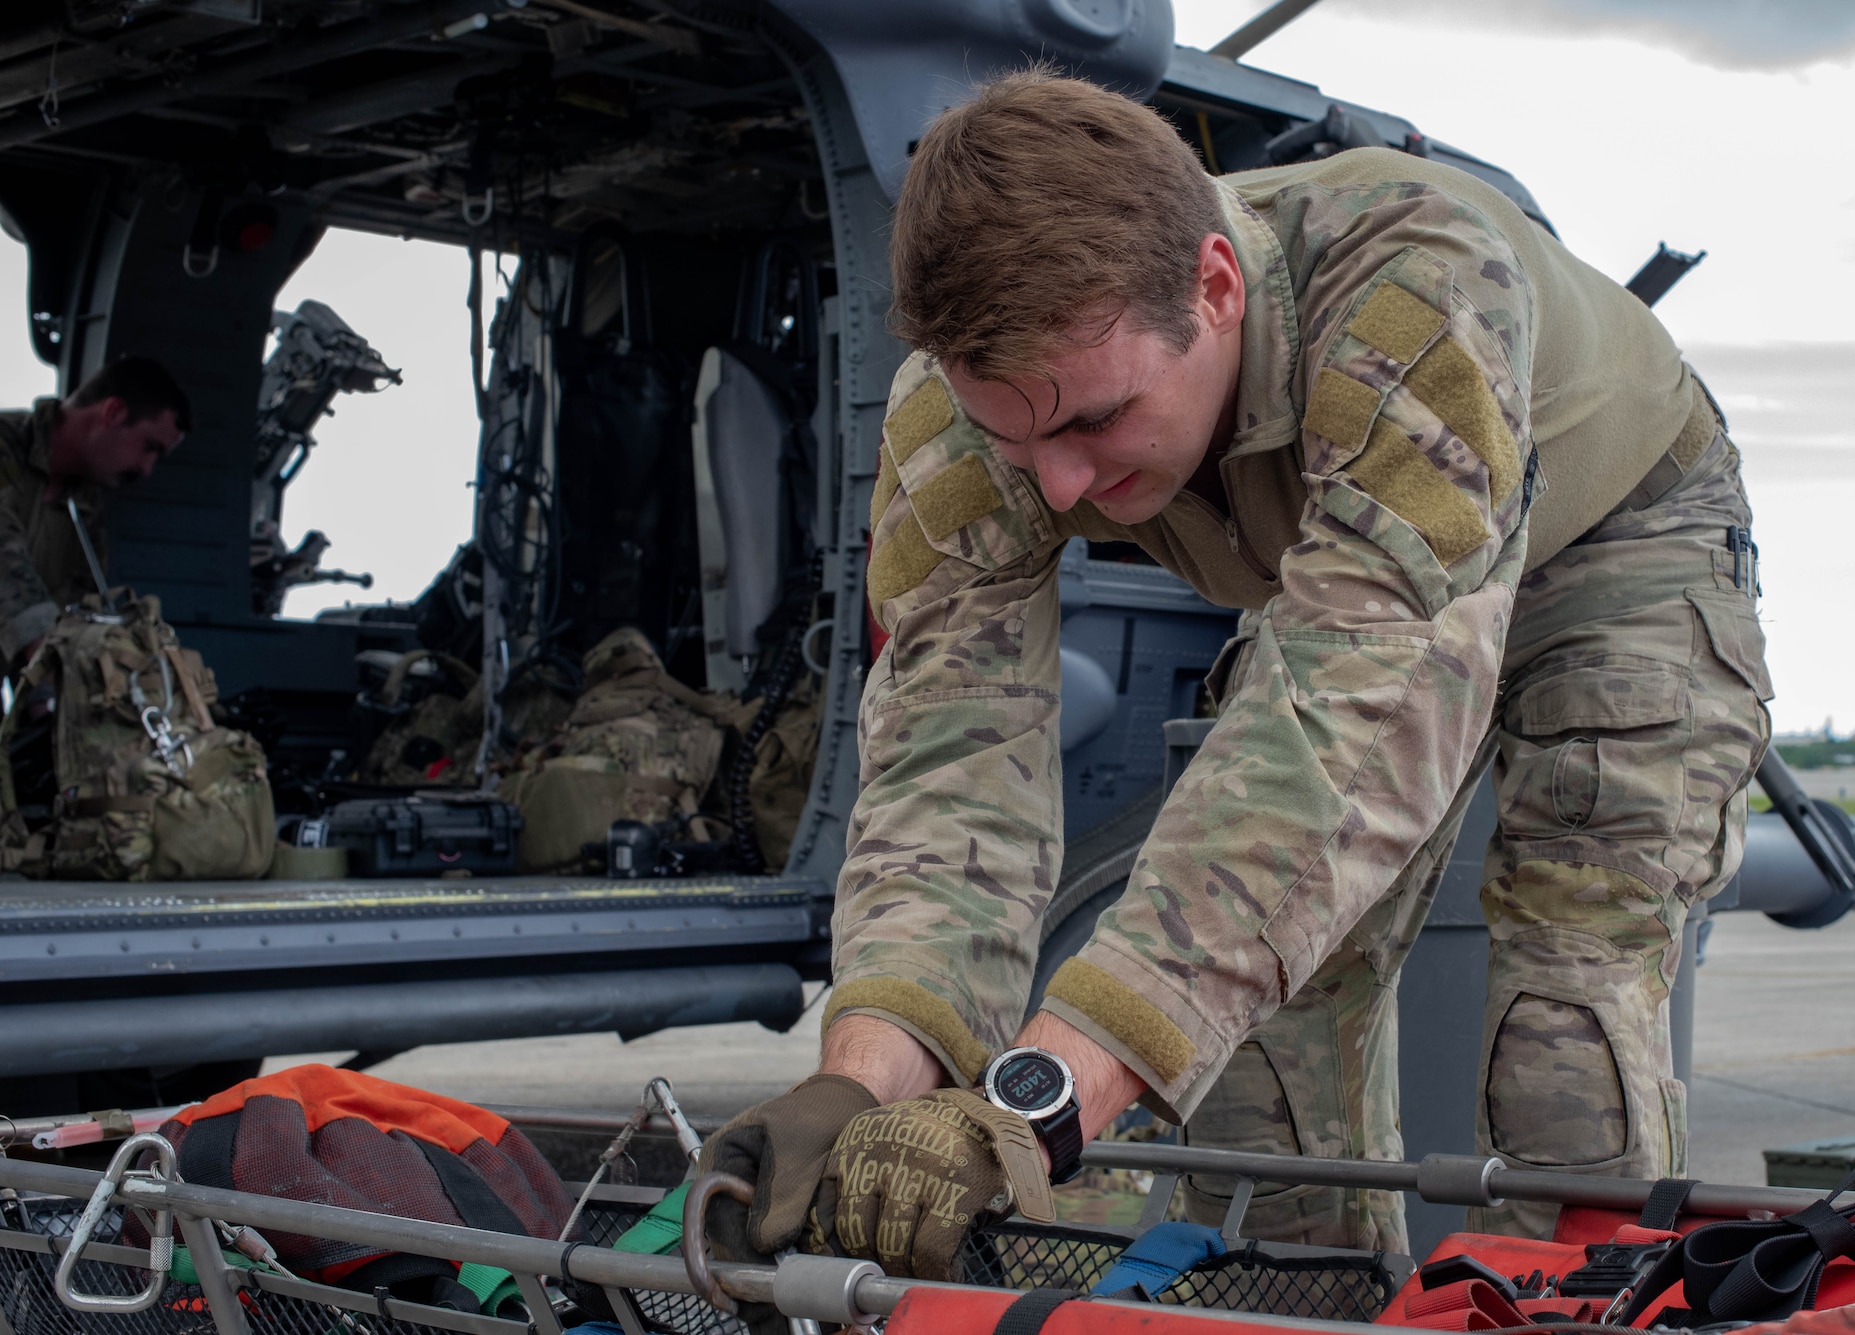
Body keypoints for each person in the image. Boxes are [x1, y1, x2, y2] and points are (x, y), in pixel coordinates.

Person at [701, 69, 1773, 1285]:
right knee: (1255, 1053)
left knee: (1560, 1034)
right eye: (1016, 440)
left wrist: (1033, 1108)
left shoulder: (1414, 286)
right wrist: (860, 1077)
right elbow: (949, 766)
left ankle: (1579, 1312)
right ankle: (1296, 1307)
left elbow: (1345, 737)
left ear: (1215, 289)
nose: (1056, 487)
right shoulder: (965, 414)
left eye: (1096, 422)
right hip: (1345, 584)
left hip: (1617, 538)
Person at [0, 357, 191, 666]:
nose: (147, 469)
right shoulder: (7, 442)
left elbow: (79, 612)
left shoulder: (85, 507)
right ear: (112, 412)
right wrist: (44, 653)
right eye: (149, 447)